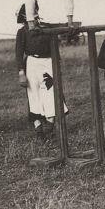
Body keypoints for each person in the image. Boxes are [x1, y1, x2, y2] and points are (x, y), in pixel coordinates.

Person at [18, 8, 68, 142]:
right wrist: (21, 72)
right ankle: (39, 130)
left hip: (48, 63)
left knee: (51, 94)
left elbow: (63, 29)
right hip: (32, 64)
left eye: (35, 11)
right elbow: (19, 53)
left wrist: (70, 25)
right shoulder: (23, 31)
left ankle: (49, 127)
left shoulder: (46, 28)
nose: (34, 16)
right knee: (34, 96)